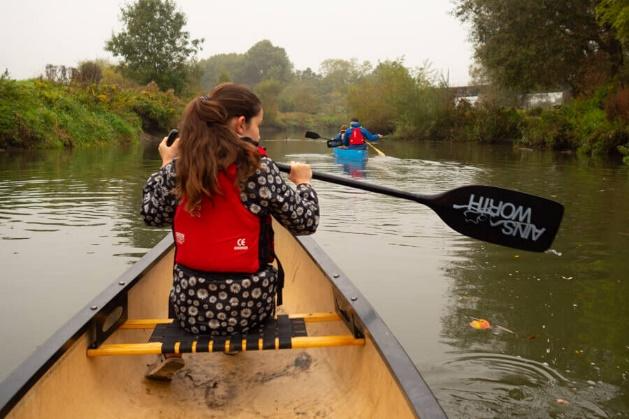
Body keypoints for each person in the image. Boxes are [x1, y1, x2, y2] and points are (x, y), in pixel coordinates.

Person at [140, 83, 319, 380]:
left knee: (181, 285)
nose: (259, 135)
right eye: (258, 125)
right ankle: (233, 345)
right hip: (250, 312)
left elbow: (150, 213)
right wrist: (303, 183)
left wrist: (166, 163)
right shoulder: (259, 170)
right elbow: (306, 222)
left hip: (190, 311)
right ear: (240, 124)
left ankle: (172, 350)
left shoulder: (180, 169)